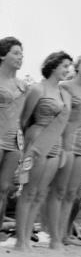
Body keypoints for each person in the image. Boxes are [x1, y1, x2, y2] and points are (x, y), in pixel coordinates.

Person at [15, 51, 73, 251]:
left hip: (56, 143)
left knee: (40, 193)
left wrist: (63, 148)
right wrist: (28, 144)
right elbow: (24, 120)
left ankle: (28, 235)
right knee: (29, 191)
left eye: (69, 67)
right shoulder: (37, 89)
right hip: (37, 139)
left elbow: (65, 124)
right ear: (53, 66)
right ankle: (20, 240)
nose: (67, 70)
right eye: (64, 66)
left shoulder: (65, 94)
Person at [46, 52, 81, 248]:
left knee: (73, 193)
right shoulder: (65, 86)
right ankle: (54, 236)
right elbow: (59, 114)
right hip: (66, 139)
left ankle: (64, 234)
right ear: (78, 66)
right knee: (59, 190)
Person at [0, 37, 28, 228]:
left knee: (4, 188)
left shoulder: (23, 86)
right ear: (3, 55)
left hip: (14, 142)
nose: (20, 57)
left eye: (22, 54)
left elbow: (24, 117)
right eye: (16, 53)